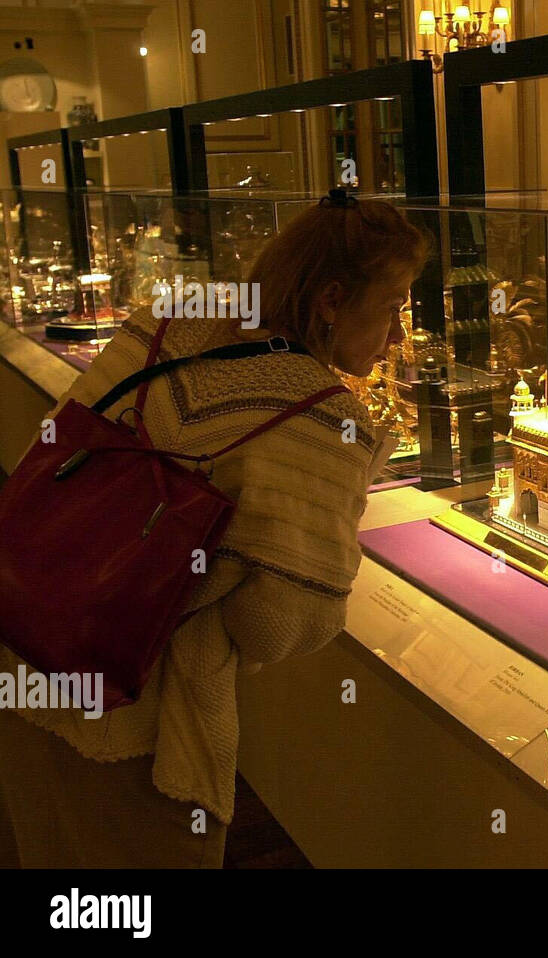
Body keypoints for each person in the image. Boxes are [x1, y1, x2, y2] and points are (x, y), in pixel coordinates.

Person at [0, 194, 429, 868]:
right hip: (136, 722)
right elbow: (275, 623)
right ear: (332, 300)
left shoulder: (168, 319)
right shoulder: (320, 418)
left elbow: (56, 447)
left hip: (22, 656)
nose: (399, 333)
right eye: (395, 304)